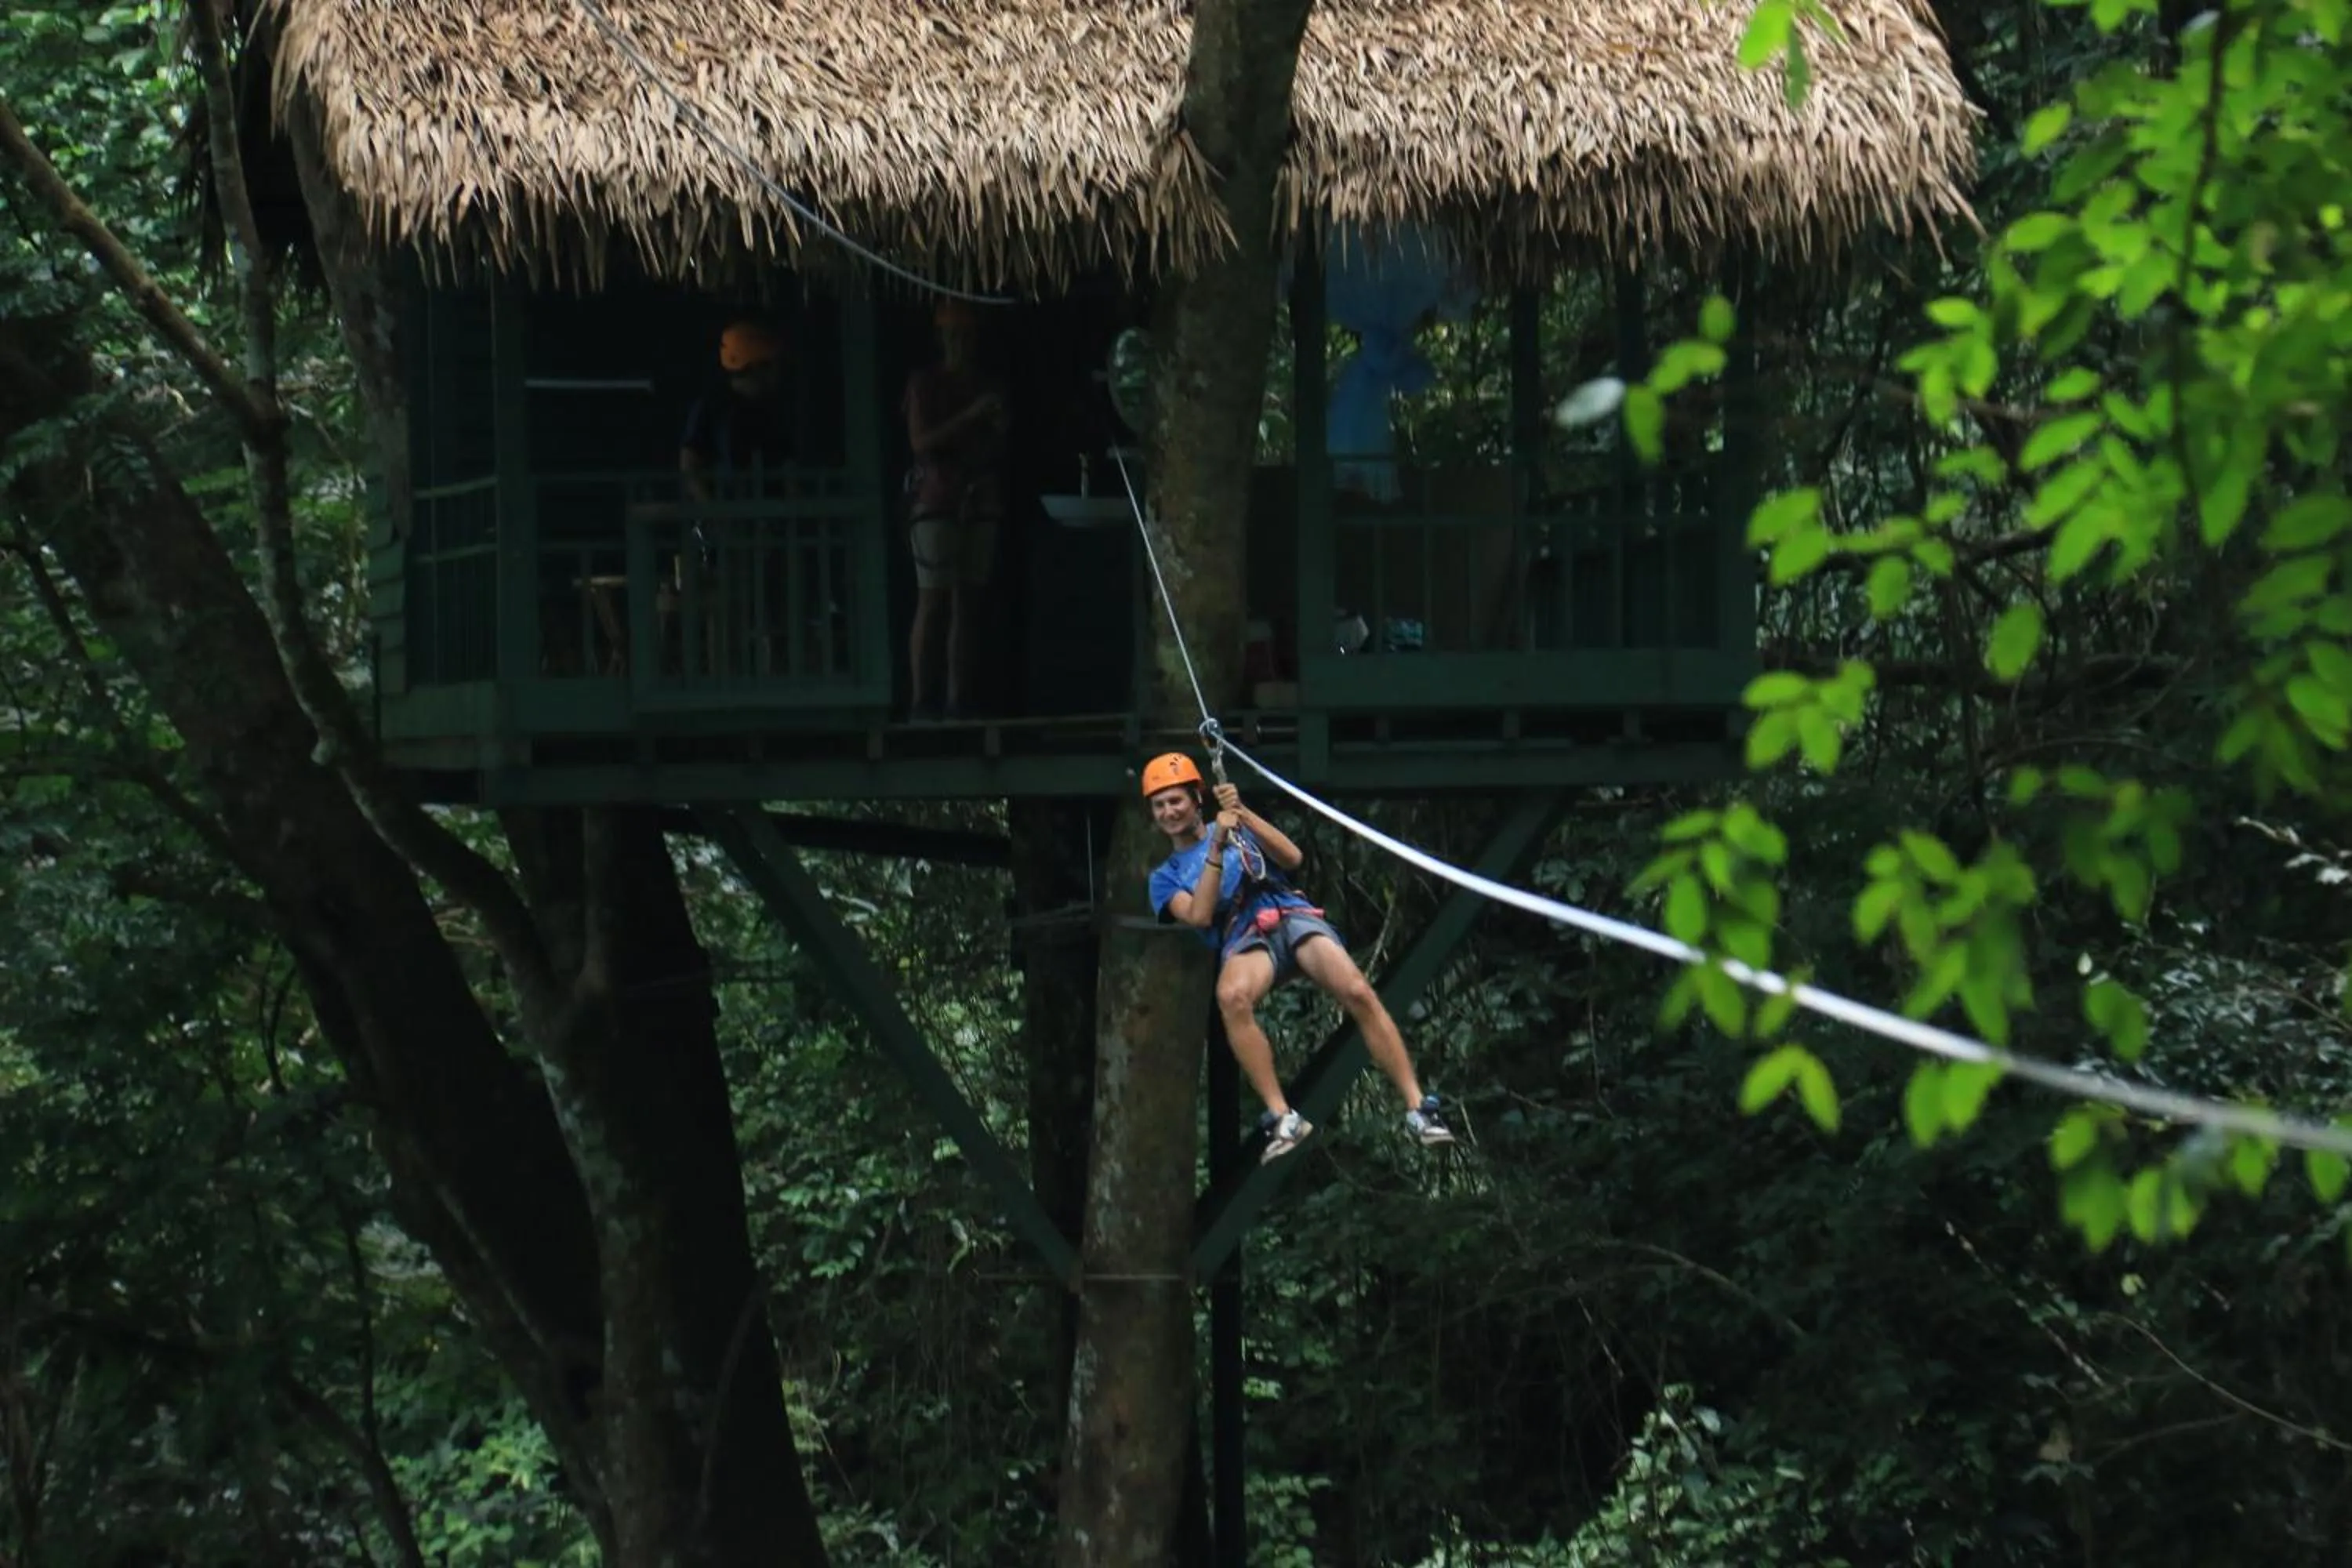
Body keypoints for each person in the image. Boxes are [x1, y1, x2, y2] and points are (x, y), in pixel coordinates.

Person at [1142, 751, 1456, 1163]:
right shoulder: (1164, 878)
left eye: (1176, 800)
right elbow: (1200, 914)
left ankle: (1419, 1109)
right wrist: (1216, 846)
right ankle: (1281, 1116)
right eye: (1159, 805)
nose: (1169, 811)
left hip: (1287, 911)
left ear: (1196, 798)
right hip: (1243, 933)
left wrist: (1242, 815)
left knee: (1358, 991)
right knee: (1232, 997)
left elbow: (1292, 858)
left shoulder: (1237, 828)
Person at [901, 299, 1009, 720]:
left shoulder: (986, 385)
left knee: (967, 602)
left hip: (979, 494)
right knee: (933, 599)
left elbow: (999, 443)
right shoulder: (924, 384)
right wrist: (972, 416)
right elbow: (920, 443)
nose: (958, 343)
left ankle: (957, 700)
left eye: (965, 335)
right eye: (952, 335)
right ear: (940, 339)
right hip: (936, 497)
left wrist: (995, 423)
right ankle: (920, 701)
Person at [680, 320, 795, 500]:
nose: (779, 373)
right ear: (757, 367)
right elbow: (690, 464)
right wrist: (714, 512)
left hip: (769, 518)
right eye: (774, 365)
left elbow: (787, 467)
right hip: (729, 513)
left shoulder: (771, 411)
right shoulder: (712, 406)